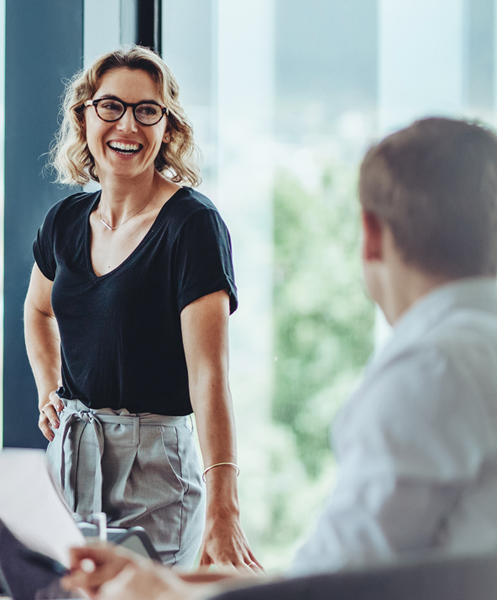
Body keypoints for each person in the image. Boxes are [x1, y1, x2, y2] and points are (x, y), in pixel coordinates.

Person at [62, 117, 497, 599]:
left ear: (370, 234)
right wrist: (170, 579)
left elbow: (330, 592)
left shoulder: (430, 374)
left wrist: (158, 594)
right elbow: (350, 573)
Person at [25, 46, 257, 569]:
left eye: (146, 110)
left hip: (155, 469)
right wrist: (48, 389)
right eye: (110, 106)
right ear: (84, 117)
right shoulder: (63, 221)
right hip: (70, 457)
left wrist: (225, 506)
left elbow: (209, 376)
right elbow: (38, 311)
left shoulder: (192, 225)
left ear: (168, 127)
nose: (126, 124)